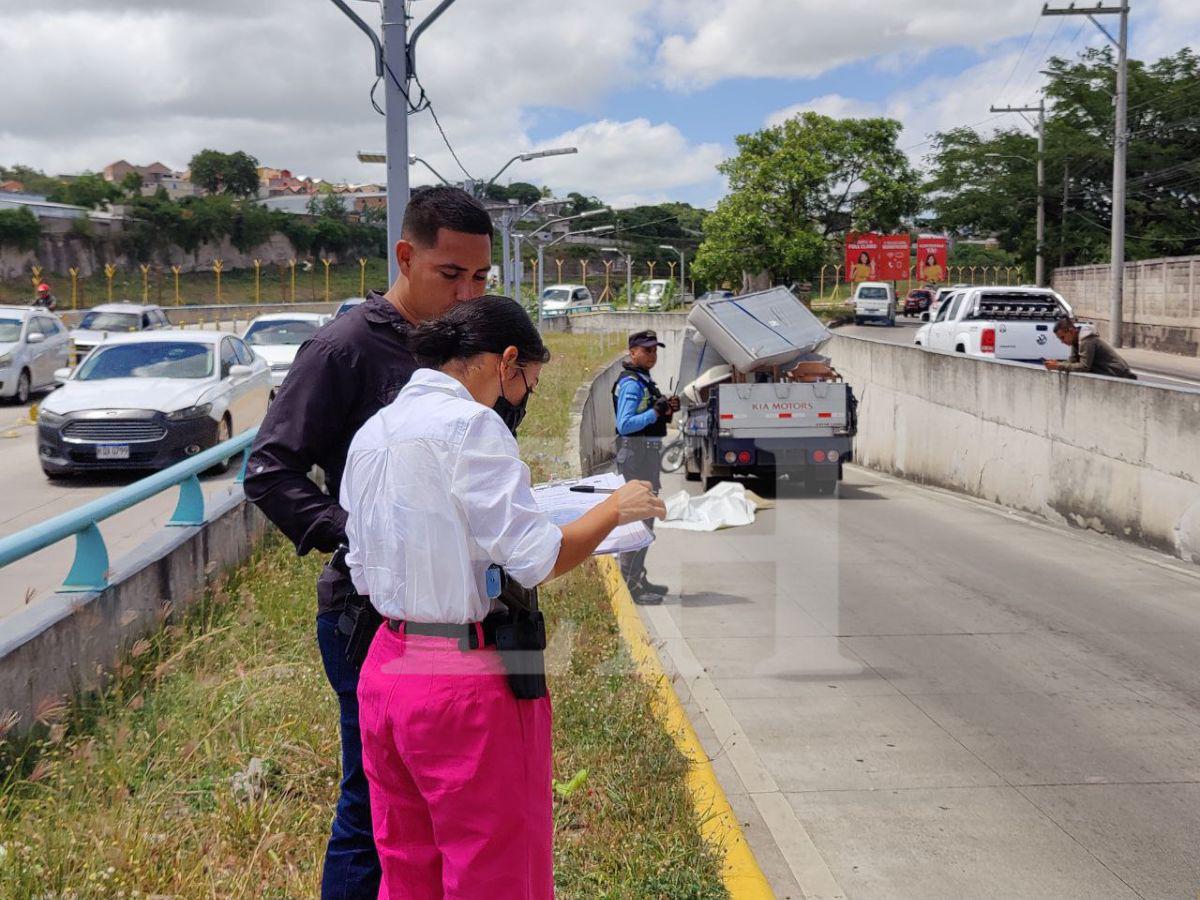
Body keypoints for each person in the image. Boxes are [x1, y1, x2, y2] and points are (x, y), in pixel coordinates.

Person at [343, 295, 664, 898]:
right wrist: (611, 509)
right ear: (506, 361)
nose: (517, 401)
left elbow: (370, 557)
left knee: (407, 865)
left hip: (386, 668)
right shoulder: (471, 425)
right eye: (527, 385)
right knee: (494, 870)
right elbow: (537, 557)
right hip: (463, 680)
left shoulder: (374, 431)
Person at [243, 186, 494, 899]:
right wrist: (363, 538)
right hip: (367, 613)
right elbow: (269, 470)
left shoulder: (459, 348)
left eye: (480, 279)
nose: (467, 292)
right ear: (406, 257)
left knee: (444, 802)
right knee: (373, 803)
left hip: (451, 608)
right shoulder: (346, 347)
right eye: (452, 275)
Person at [613, 329, 679, 605]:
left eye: (655, 350)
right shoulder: (631, 383)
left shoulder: (643, 379)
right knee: (639, 520)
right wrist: (654, 412)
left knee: (647, 518)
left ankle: (638, 576)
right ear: (633, 352)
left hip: (646, 456)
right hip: (637, 457)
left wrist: (664, 409)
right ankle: (630, 585)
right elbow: (625, 424)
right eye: (647, 350)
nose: (652, 355)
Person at [1046, 317, 1136, 380]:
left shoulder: (1086, 341)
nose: (1062, 341)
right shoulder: (1076, 340)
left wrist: (1059, 366)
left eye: (1063, 337)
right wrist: (1057, 363)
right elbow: (1072, 362)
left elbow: (1084, 367)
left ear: (1071, 331)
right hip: (1111, 375)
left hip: (1119, 375)